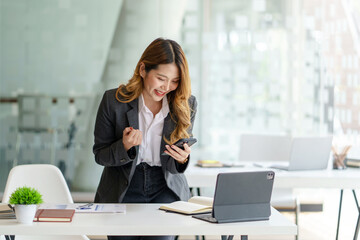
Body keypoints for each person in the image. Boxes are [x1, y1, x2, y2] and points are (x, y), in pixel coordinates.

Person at [93, 38, 197, 240]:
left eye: (175, 81)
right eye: (161, 78)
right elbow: (100, 155)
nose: (167, 87)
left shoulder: (186, 104)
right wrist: (124, 146)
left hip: (165, 188)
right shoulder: (113, 101)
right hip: (123, 188)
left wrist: (182, 158)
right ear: (143, 70)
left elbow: (176, 166)